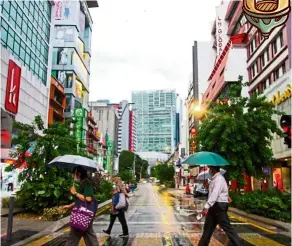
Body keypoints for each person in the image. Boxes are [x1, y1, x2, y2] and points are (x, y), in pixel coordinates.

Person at [198, 166, 242, 246]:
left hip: (219, 207)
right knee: (207, 230)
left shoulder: (219, 179)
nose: (209, 171)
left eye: (210, 169)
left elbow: (215, 194)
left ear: (214, 169)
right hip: (214, 207)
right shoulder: (214, 179)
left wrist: (206, 207)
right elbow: (213, 192)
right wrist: (208, 185)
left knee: (228, 229)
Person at [62, 166, 99, 246]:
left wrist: (75, 193)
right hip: (85, 214)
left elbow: (88, 199)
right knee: (89, 235)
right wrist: (69, 206)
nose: (73, 176)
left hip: (83, 214)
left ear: (78, 173)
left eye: (73, 174)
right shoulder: (83, 183)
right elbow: (80, 200)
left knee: (74, 236)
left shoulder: (87, 184)